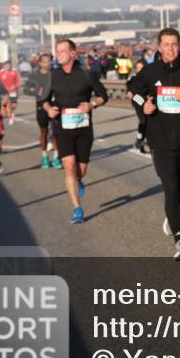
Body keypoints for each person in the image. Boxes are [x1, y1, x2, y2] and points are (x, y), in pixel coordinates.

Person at [128, 28, 180, 260]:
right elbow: (133, 91)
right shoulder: (150, 71)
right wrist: (143, 106)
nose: (171, 48)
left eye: (174, 44)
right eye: (166, 44)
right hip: (160, 139)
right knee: (172, 188)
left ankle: (171, 212)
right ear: (159, 47)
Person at [43, 39, 109, 225]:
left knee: (81, 169)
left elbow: (103, 95)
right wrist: (48, 109)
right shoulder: (52, 76)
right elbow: (43, 100)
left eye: (62, 51)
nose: (58, 54)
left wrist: (92, 104)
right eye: (57, 51)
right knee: (69, 165)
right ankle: (77, 209)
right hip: (62, 127)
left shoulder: (87, 74)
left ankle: (79, 179)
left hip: (84, 128)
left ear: (73, 53)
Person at [24, 54, 63, 170]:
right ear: (40, 63)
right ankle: (44, 157)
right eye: (45, 62)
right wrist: (36, 91)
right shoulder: (34, 75)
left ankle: (56, 158)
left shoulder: (56, 74)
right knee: (44, 132)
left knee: (56, 133)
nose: (47, 64)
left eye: (49, 61)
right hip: (41, 107)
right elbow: (26, 90)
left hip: (55, 106)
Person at [126, 59, 150, 154]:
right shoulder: (133, 77)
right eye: (137, 68)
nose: (139, 70)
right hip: (137, 100)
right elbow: (128, 86)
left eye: (141, 68)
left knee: (150, 122)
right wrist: (129, 91)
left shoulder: (151, 76)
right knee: (143, 121)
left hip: (148, 100)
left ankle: (143, 140)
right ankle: (139, 140)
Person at [0, 60, 21, 125]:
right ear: (4, 66)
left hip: (13, 91)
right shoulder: (1, 72)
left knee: (14, 106)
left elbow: (18, 81)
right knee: (8, 104)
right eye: (6, 66)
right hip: (5, 92)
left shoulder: (14, 72)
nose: (8, 67)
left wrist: (15, 86)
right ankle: (10, 117)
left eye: (9, 66)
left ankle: (11, 112)